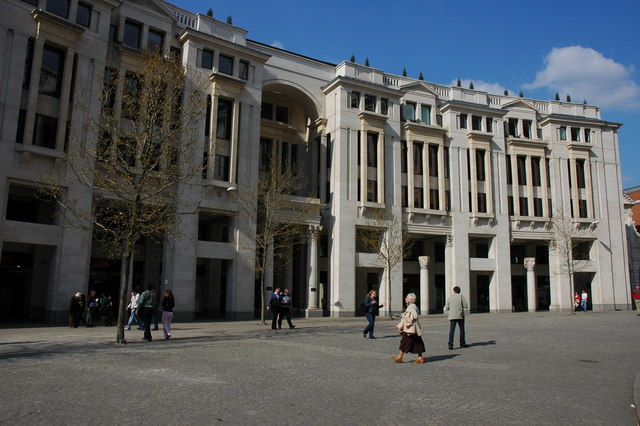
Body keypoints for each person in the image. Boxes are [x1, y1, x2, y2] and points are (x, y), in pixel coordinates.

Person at [391, 293, 425, 364]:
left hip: (411, 328)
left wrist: (403, 315)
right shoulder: (411, 306)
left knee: (404, 341)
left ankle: (400, 357)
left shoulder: (412, 307)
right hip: (413, 328)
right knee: (417, 342)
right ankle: (420, 357)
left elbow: (414, 316)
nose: (405, 299)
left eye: (407, 298)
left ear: (411, 299)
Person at [445, 286, 469, 350]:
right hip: (460, 316)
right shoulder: (461, 297)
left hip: (452, 316)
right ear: (459, 291)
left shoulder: (450, 297)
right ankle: (462, 343)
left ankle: (450, 344)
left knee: (452, 330)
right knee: (461, 330)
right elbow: (466, 306)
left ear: (454, 291)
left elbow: (446, 308)